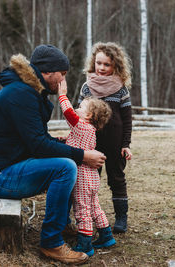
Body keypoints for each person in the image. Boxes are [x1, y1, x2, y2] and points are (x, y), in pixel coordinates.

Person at [0, 44, 106, 265]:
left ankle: (62, 224)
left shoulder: (28, 91)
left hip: (10, 167)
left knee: (67, 161)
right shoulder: (21, 93)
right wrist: (83, 154)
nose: (63, 80)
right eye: (62, 74)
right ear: (47, 72)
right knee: (66, 167)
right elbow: (38, 145)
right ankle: (51, 243)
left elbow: (37, 140)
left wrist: (62, 144)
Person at [78, 42, 133, 233]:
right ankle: (88, 216)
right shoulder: (87, 88)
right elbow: (79, 117)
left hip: (115, 145)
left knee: (117, 179)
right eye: (98, 63)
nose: (101, 68)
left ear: (115, 66)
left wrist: (126, 144)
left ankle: (121, 218)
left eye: (107, 65)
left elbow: (127, 120)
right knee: (89, 182)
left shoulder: (121, 89)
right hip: (91, 146)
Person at [57, 80, 116, 257]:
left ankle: (84, 244)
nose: (76, 108)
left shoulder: (82, 125)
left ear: (89, 116)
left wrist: (62, 95)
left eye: (81, 107)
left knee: (82, 210)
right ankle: (106, 235)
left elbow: (67, 112)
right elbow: (77, 144)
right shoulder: (89, 130)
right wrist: (64, 141)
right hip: (92, 178)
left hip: (82, 177)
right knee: (94, 207)